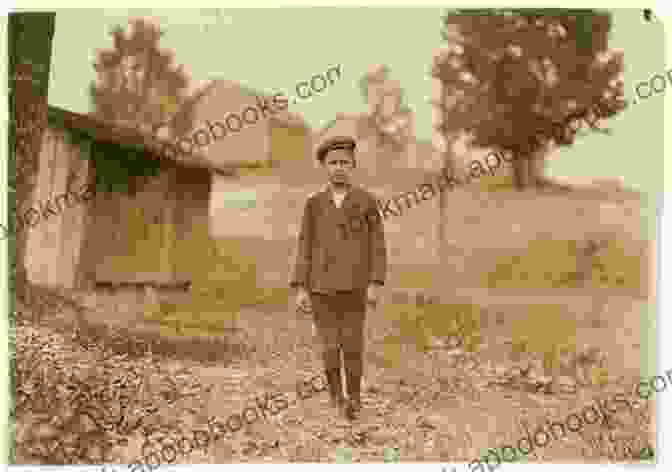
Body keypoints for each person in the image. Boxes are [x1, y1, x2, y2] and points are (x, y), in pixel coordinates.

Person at [290, 135, 387, 421]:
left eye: (345, 162)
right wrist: (300, 288)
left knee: (353, 344)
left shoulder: (366, 202)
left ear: (354, 165)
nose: (339, 167)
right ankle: (335, 396)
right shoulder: (314, 204)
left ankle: (354, 397)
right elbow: (304, 244)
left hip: (355, 288)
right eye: (333, 163)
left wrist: (374, 284)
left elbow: (377, 246)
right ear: (324, 167)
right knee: (330, 345)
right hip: (321, 289)